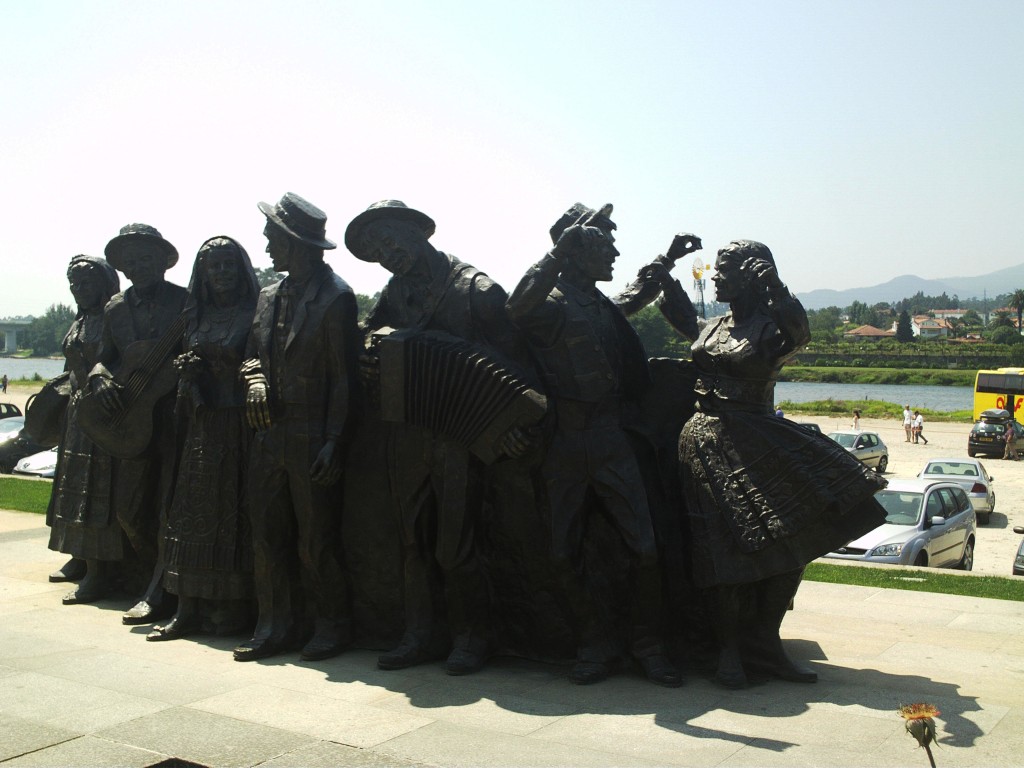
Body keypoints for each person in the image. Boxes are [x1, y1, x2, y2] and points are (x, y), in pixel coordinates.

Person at [666, 239, 886, 688]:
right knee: (722, 550)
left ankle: (765, 642)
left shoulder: (770, 328)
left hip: (759, 440)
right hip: (706, 441)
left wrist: (778, 289)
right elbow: (686, 321)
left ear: (751, 275)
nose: (715, 276)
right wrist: (665, 280)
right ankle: (728, 649)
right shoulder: (715, 325)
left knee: (790, 545)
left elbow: (798, 334)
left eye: (725, 270)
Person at [347, 199, 529, 676]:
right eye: (376, 251)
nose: (386, 255)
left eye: (390, 242)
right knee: (411, 540)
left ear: (417, 232)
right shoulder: (394, 289)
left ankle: (473, 637)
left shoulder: (478, 290)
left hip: (462, 433)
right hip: (409, 426)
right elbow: (369, 332)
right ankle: (419, 635)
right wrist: (370, 348)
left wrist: (511, 424)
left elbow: (522, 367)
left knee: (456, 543)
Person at [506, 202, 681, 687]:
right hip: (564, 440)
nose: (616, 254)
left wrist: (665, 261)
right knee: (561, 552)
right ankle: (593, 642)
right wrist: (555, 253)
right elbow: (516, 307)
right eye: (605, 248)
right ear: (577, 254)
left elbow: (634, 294)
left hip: (610, 437)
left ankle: (649, 645)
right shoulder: (549, 304)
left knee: (645, 548)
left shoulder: (601, 303)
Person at [233, 193, 361, 662]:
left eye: (274, 239)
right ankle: (274, 625)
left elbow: (345, 379)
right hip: (268, 433)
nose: (267, 247)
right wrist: (255, 379)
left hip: (312, 434)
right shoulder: (268, 296)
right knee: (267, 534)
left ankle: (332, 626)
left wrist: (334, 441)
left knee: (316, 540)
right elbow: (250, 354)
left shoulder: (336, 298)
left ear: (297, 244)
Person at [148, 237, 260, 642]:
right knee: (191, 518)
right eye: (214, 266)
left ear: (241, 269)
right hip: (201, 427)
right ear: (204, 274)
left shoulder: (255, 312)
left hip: (238, 427)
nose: (223, 273)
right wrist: (188, 370)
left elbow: (262, 364)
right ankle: (187, 607)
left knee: (232, 518)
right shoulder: (195, 316)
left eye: (229, 265)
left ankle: (230, 606)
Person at [90, 224, 188, 625]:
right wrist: (98, 374)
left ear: (163, 261)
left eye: (146, 258)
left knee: (169, 507)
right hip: (131, 422)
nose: (139, 266)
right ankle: (152, 577)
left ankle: (160, 591)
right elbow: (103, 356)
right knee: (130, 511)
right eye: (131, 261)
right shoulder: (114, 308)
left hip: (174, 419)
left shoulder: (186, 302)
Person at [47, 255, 124, 604]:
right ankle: (77, 555)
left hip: (103, 416)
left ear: (105, 283)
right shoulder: (81, 320)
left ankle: (99, 571)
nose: (79, 289)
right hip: (76, 414)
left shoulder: (114, 317)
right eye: (74, 284)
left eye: (86, 283)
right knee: (72, 486)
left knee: (97, 491)